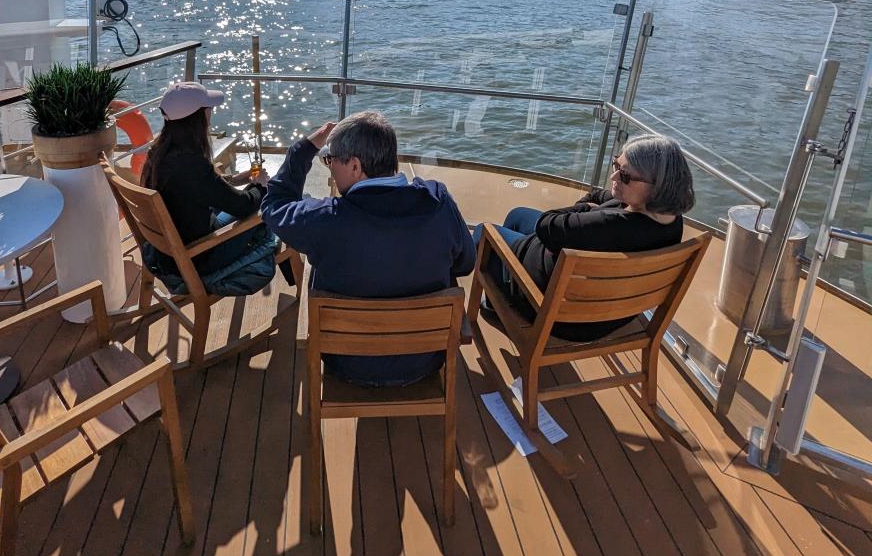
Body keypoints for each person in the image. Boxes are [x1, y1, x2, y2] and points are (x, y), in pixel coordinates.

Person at [263, 110, 475, 386]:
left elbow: (273, 205)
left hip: (346, 359)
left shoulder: (323, 220)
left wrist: (304, 149)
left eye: (330, 160)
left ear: (354, 166)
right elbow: (465, 263)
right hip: (426, 356)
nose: (329, 167)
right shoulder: (439, 204)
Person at [474, 135, 694, 341]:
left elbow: (546, 224)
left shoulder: (606, 226)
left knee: (483, 232)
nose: (614, 177)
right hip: (612, 315)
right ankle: (497, 299)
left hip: (558, 316)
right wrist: (590, 208)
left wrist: (584, 210)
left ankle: (503, 295)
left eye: (625, 176)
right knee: (517, 215)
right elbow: (599, 196)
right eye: (617, 165)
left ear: (658, 186)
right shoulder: (670, 220)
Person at [140, 81, 277, 296]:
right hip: (200, 255)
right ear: (200, 116)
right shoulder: (192, 164)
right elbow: (242, 206)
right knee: (269, 207)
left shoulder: (158, 153)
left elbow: (196, 188)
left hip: (166, 251)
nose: (211, 113)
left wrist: (233, 179)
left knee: (256, 198)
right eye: (209, 109)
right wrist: (260, 185)